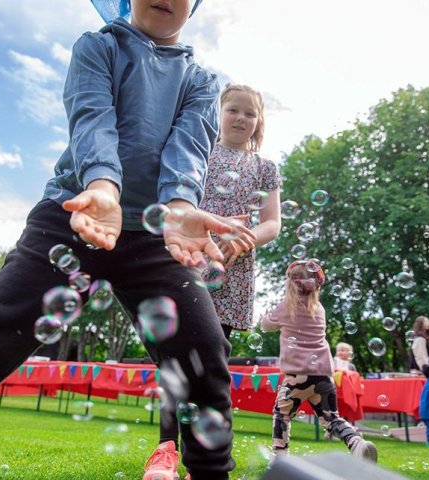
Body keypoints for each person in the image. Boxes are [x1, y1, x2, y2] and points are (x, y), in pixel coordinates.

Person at [0, 1, 241, 479]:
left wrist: (181, 207)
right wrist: (103, 186)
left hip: (156, 237)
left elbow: (188, 150)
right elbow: (92, 117)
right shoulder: (98, 46)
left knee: (203, 353)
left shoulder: (201, 81)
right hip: (74, 216)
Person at [144, 83, 281, 480]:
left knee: (209, 361)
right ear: (219, 113)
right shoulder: (199, 150)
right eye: (233, 110)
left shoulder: (265, 167)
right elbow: (177, 198)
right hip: (188, 255)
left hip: (232, 267)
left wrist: (247, 236)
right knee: (176, 355)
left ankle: (199, 459)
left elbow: (273, 221)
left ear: (259, 122)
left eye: (250, 113)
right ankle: (165, 450)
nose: (241, 118)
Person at [260, 260, 378, 462]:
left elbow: (266, 325)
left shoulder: (286, 307)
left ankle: (280, 458)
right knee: (331, 418)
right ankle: (357, 443)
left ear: (290, 283)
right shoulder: (319, 309)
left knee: (282, 415)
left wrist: (264, 317)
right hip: (323, 376)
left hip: (296, 378)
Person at [409, 315, 429, 446]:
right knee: (428, 407)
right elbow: (422, 359)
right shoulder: (420, 339)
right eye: (427, 320)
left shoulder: (423, 339)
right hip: (427, 374)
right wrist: (427, 369)